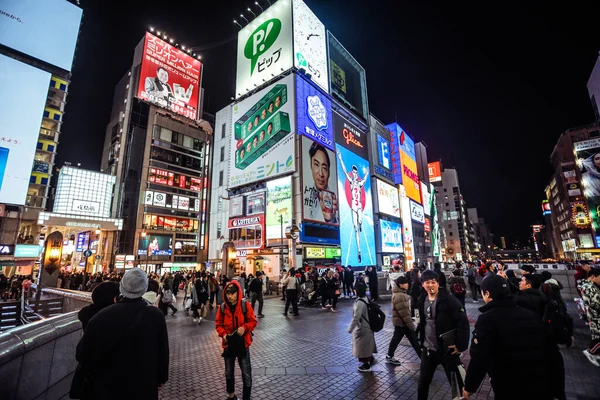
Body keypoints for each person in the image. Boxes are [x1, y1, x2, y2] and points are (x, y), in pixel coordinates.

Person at [462, 275, 565, 400]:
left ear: (487, 293)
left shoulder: (487, 319)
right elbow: (553, 353)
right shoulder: (530, 315)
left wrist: (469, 387)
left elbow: (479, 358)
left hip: (508, 384)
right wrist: (558, 391)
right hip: (541, 382)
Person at [75, 268, 169, 399]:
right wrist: (161, 378)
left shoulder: (102, 316)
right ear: (144, 288)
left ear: (122, 287)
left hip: (107, 386)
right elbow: (163, 350)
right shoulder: (155, 315)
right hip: (143, 385)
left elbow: (82, 353)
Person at [417, 270, 470, 400]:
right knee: (423, 382)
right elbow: (422, 322)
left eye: (433, 282)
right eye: (427, 283)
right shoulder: (422, 299)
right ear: (422, 284)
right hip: (428, 349)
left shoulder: (448, 299)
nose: (430, 285)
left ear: (438, 283)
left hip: (447, 350)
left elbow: (463, 322)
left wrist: (460, 345)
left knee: (455, 384)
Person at [216, 281, 257, 400]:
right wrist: (223, 334)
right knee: (229, 372)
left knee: (246, 373)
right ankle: (231, 395)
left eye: (233, 293)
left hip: (243, 344)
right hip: (228, 345)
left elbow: (253, 321)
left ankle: (246, 397)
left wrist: (244, 328)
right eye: (228, 293)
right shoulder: (223, 308)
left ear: (238, 293)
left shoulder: (245, 306)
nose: (230, 296)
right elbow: (218, 324)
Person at [337, 148, 368, 263]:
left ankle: (360, 223)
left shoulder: (359, 183)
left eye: (356, 173)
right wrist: (340, 157)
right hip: (353, 207)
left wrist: (368, 172)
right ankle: (359, 251)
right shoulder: (351, 181)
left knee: (360, 221)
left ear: (357, 174)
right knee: (355, 229)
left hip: (359, 205)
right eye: (353, 172)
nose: (354, 174)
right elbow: (344, 171)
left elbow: (365, 178)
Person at [387, 276, 421, 365]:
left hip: (402, 323)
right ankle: (389, 356)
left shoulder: (401, 293)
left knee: (411, 341)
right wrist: (411, 325)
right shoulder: (399, 295)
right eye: (406, 283)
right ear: (401, 284)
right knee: (408, 340)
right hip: (402, 323)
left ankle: (423, 358)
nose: (408, 284)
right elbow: (404, 313)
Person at [303, 141, 339, 224]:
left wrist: (331, 219)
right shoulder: (306, 193)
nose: (321, 173)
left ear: (329, 172)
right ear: (311, 165)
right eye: (316, 165)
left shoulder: (334, 202)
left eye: (324, 168)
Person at [348, 282, 377, 372]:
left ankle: (366, 365)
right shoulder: (366, 298)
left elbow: (356, 317)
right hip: (368, 326)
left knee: (362, 347)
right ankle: (371, 359)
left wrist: (350, 328)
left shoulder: (359, 302)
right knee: (366, 346)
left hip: (362, 327)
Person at [581, 267, 600, 366]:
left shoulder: (593, 285)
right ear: (593, 277)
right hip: (596, 317)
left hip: (595, 316)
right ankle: (591, 351)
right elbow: (595, 303)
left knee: (597, 337)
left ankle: (594, 352)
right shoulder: (588, 287)